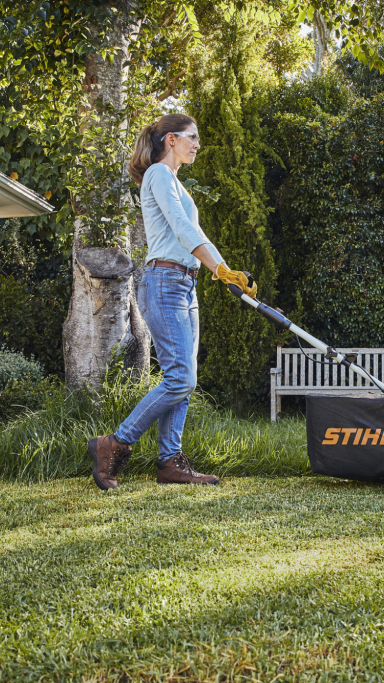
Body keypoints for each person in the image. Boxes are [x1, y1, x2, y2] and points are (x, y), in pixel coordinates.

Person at [88, 113, 257, 490]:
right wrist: (221, 269)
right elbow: (183, 229)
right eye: (192, 137)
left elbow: (191, 229)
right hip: (164, 282)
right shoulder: (159, 176)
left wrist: (220, 269)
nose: (197, 144)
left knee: (182, 378)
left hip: (183, 284)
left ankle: (169, 462)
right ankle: (114, 443)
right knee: (181, 377)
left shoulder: (175, 183)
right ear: (170, 140)